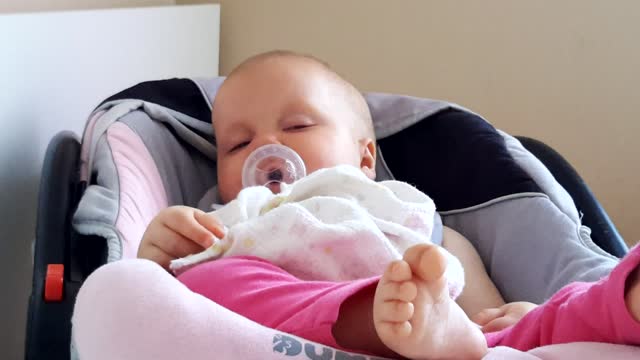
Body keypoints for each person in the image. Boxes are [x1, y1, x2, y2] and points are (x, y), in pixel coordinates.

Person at [138, 50, 640, 359]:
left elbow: (478, 318)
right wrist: (160, 247)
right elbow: (167, 294)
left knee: (527, 317)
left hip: (434, 335)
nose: (268, 147)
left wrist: (503, 318)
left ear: (364, 158)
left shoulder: (404, 213)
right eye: (237, 144)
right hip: (293, 332)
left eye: (297, 127)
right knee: (204, 279)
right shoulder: (228, 219)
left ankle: (621, 299)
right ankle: (372, 323)